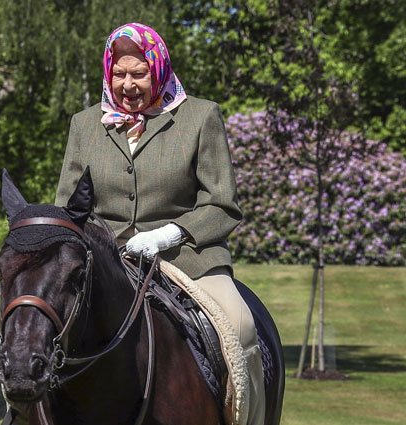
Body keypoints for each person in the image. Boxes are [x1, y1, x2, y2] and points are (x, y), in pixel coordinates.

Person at [55, 22, 264, 425]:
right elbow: (70, 207)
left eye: (139, 73)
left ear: (159, 67)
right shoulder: (84, 125)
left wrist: (171, 234)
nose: (127, 84)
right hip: (107, 261)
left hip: (189, 257)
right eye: (119, 74)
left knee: (241, 326)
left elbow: (223, 205)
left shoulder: (200, 117)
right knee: (39, 328)